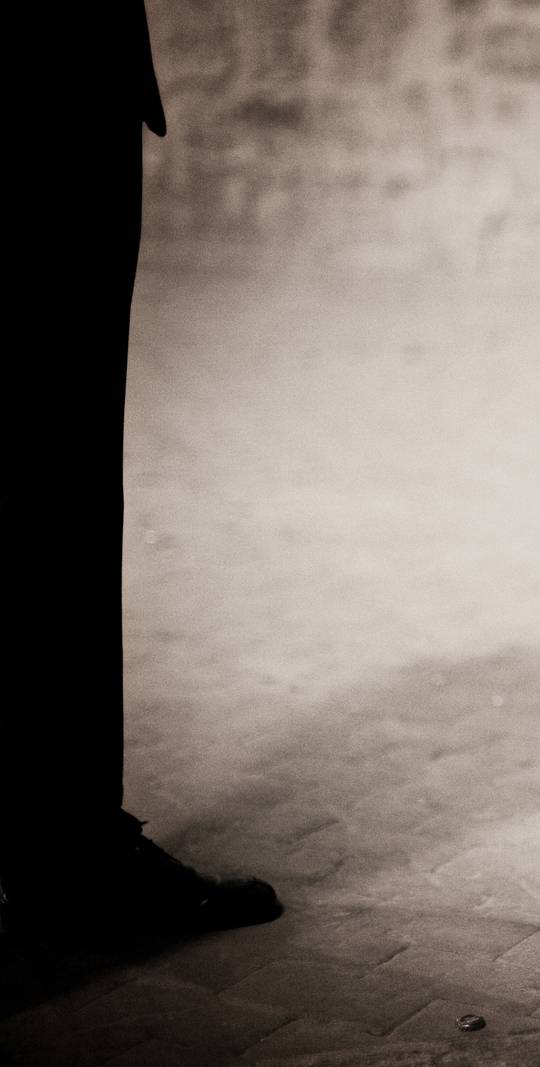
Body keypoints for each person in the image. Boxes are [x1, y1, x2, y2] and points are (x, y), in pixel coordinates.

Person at [0, 2, 282, 939]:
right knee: (57, 474)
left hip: (52, 78)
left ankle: (58, 841)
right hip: (40, 84)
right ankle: (68, 849)